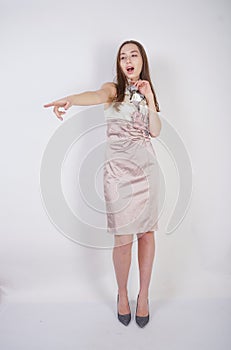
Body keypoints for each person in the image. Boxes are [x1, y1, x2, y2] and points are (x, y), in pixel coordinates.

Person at [44, 39, 162, 328]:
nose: (129, 59)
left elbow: (155, 132)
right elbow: (93, 95)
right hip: (118, 175)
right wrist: (70, 99)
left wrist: (149, 100)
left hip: (147, 171)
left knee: (146, 234)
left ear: (142, 61)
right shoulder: (113, 90)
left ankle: (143, 296)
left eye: (134, 55)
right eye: (123, 57)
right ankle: (122, 294)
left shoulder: (148, 93)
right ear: (120, 65)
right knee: (122, 240)